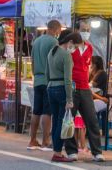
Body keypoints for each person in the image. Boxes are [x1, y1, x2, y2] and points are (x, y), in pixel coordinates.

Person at [66, 22, 105, 162]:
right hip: (71, 87)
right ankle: (71, 151)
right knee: (69, 120)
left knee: (92, 120)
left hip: (85, 88)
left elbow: (87, 67)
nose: (86, 32)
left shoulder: (90, 47)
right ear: (77, 30)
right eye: (83, 30)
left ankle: (97, 152)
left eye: (88, 30)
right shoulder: (70, 47)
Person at [47, 31, 81, 163]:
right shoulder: (66, 55)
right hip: (62, 89)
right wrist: (70, 99)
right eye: (76, 46)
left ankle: (57, 151)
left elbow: (47, 73)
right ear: (70, 42)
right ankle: (57, 153)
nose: (75, 49)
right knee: (61, 123)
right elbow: (68, 79)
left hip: (50, 87)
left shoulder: (52, 51)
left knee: (56, 121)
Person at [28, 20, 62, 151]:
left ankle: (32, 140)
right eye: (59, 31)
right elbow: (55, 62)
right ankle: (45, 141)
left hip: (37, 79)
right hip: (48, 81)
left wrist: (35, 74)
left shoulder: (36, 41)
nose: (59, 33)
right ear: (56, 29)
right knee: (47, 111)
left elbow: (32, 61)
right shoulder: (54, 42)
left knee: (36, 110)